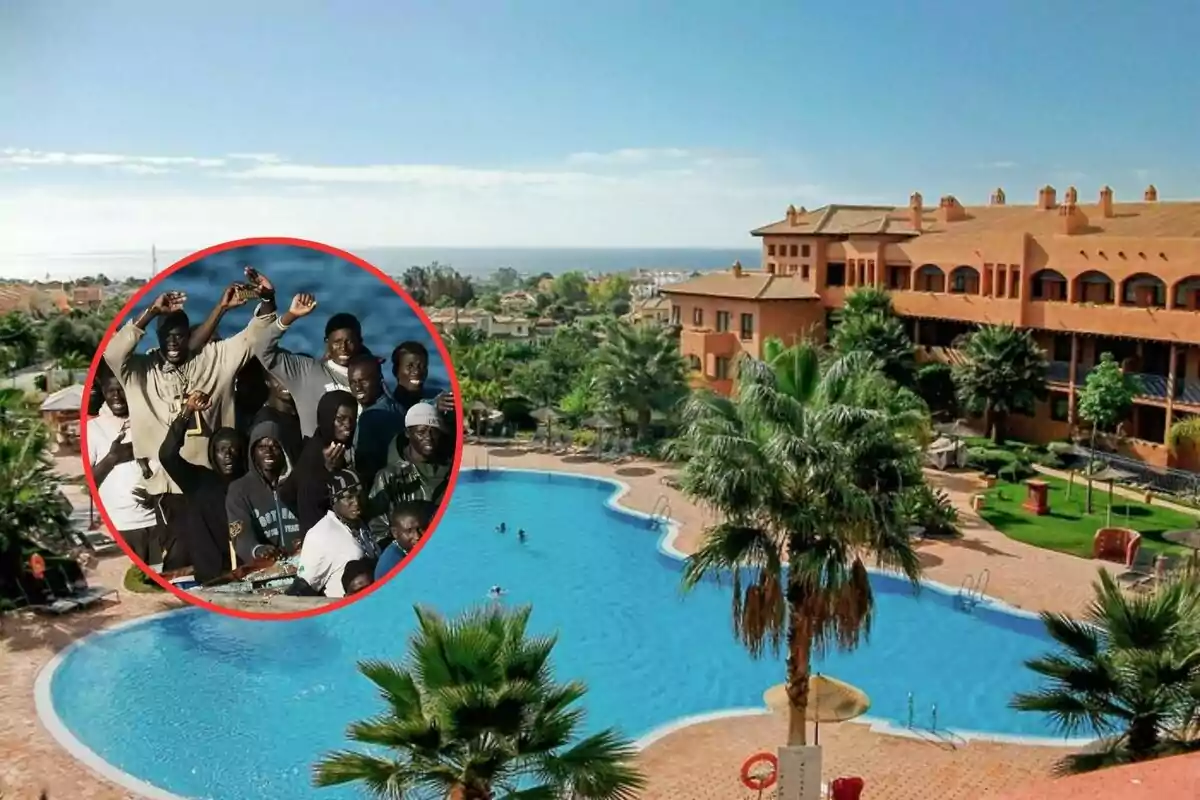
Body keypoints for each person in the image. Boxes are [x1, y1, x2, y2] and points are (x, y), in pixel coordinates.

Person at [101, 279, 277, 496]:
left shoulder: (214, 359)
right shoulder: (139, 372)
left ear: (189, 336)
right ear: (158, 337)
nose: (173, 342)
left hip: (210, 485)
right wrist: (151, 312)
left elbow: (256, 336)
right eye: (166, 336)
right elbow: (112, 353)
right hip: (162, 489)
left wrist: (267, 299)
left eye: (179, 336)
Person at [251, 288, 366, 437]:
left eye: (349, 341)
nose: (343, 348)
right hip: (317, 458)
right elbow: (261, 347)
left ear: (360, 343)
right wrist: (291, 316)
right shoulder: (306, 372)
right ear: (327, 343)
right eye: (337, 342)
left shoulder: (368, 377)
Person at [158, 391, 246, 583]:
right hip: (211, 576)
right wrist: (187, 411)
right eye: (221, 450)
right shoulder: (197, 480)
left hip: (245, 572)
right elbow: (167, 455)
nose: (228, 455)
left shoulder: (249, 484)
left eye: (233, 449)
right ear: (212, 453)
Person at [87, 370, 163, 567]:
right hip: (120, 525)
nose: (116, 396)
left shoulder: (151, 422)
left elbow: (167, 466)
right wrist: (112, 458)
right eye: (111, 390)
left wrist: (156, 490)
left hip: (157, 522)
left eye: (121, 390)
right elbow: (88, 484)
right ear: (103, 392)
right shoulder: (93, 429)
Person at [366, 403, 452, 540]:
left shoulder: (452, 472)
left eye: (433, 431)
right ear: (408, 433)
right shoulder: (390, 477)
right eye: (421, 432)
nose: (428, 437)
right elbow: (378, 530)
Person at [225, 419, 301, 564]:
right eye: (261, 447)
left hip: (303, 560)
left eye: (275, 446)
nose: (268, 452)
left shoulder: (298, 481)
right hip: (264, 566)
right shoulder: (239, 489)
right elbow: (240, 533)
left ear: (283, 451)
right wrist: (257, 549)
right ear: (253, 453)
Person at [296, 469, 379, 598]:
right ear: (334, 500)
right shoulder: (320, 534)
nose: (356, 503)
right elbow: (303, 587)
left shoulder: (360, 524)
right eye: (349, 497)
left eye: (359, 495)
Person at [290, 390, 358, 535]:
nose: (348, 425)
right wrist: (326, 471)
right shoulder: (316, 453)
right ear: (328, 418)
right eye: (340, 419)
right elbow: (308, 500)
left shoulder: (333, 447)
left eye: (352, 419)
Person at [347, 354, 404, 486]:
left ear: (379, 379)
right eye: (353, 382)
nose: (357, 387)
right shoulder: (397, 407)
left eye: (363, 381)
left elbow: (365, 468)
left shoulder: (369, 418)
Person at [249, 362, 303, 464]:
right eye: (278, 377)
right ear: (267, 381)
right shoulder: (266, 422)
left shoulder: (302, 412)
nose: (286, 382)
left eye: (290, 376)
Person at [373, 500, 435, 582]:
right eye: (409, 531)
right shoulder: (391, 565)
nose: (417, 536)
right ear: (395, 533)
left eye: (420, 528)